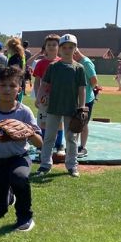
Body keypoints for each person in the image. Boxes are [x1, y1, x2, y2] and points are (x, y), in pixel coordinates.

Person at [0, 65, 40, 232]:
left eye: (12, 85)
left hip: (19, 158)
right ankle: (8, 193)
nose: (7, 89)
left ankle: (25, 217)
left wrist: (29, 132)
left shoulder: (24, 112)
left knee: (19, 177)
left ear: (19, 89)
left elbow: (40, 143)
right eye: (3, 85)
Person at [38, 37, 89, 177]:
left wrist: (82, 107)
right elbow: (44, 84)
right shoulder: (53, 67)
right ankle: (45, 165)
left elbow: (81, 89)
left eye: (71, 47)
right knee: (49, 137)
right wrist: (40, 98)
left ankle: (72, 166)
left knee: (71, 138)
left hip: (71, 108)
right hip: (53, 106)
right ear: (60, 49)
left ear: (75, 49)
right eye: (64, 47)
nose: (67, 50)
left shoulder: (79, 68)